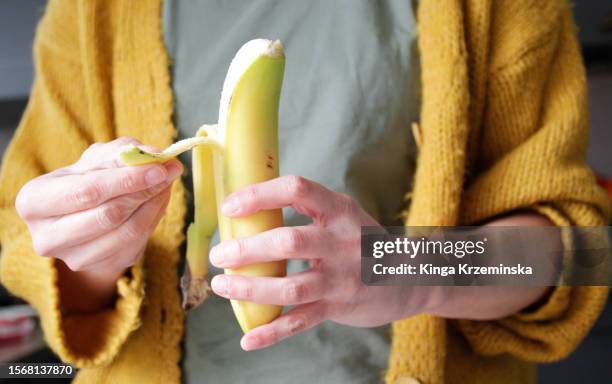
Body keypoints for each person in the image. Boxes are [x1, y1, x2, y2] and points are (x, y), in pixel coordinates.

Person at [0, 0, 609, 383]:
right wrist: (91, 253)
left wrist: (409, 266)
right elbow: (37, 260)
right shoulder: (87, 14)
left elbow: (578, 253)